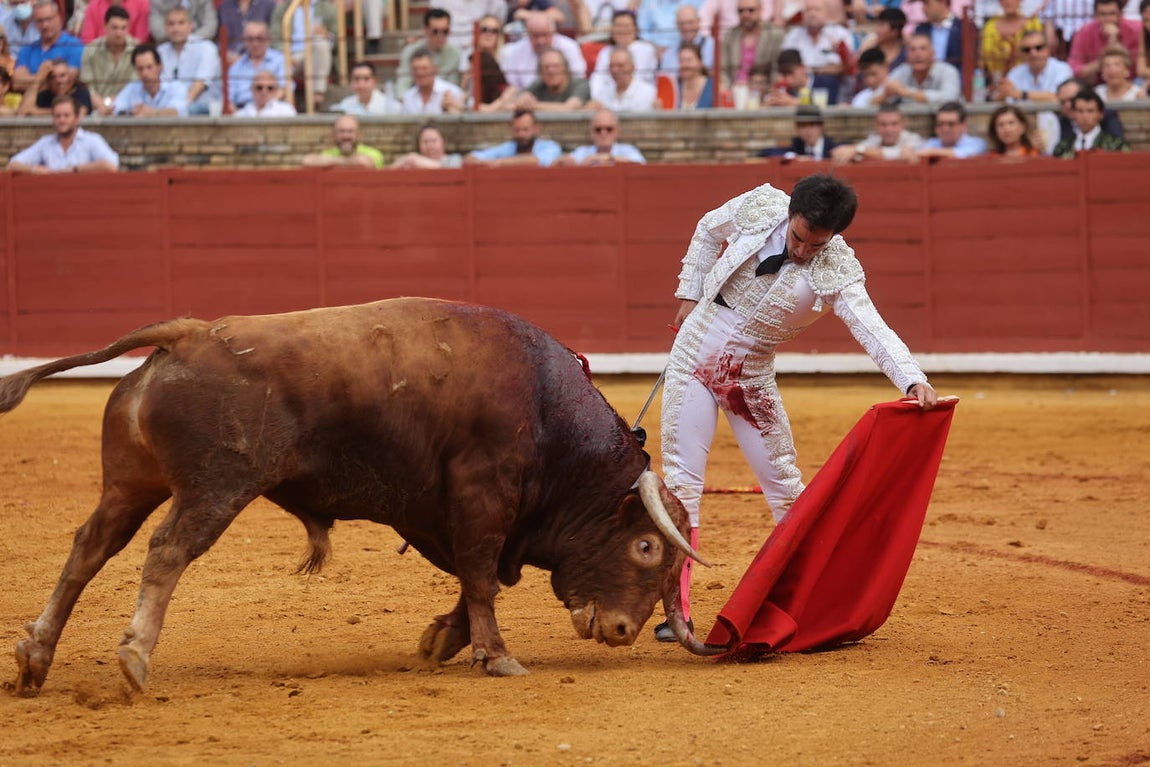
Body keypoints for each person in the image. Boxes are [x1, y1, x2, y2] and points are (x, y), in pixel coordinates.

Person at [655, 173, 938, 639]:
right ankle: (675, 611)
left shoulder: (839, 268)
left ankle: (800, 601)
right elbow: (709, 227)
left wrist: (911, 379)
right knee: (683, 483)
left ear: (836, 236)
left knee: (787, 489)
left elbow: (872, 328)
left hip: (751, 378)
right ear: (790, 215)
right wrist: (690, 291)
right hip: (693, 353)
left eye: (818, 244)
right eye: (800, 238)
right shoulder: (760, 205)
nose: (805, 251)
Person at [6, 94, 118, 172]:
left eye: (66, 115)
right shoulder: (45, 143)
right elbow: (12, 164)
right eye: (57, 116)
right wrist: (35, 169)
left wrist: (76, 169)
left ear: (77, 118)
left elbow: (112, 165)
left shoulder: (91, 140)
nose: (62, 120)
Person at [781, 0, 855, 104]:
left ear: (827, 13)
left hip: (836, 89)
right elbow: (787, 65)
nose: (812, 13)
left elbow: (847, 67)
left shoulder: (840, 34)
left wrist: (811, 69)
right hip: (800, 87)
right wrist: (827, 68)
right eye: (808, 10)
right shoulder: (793, 36)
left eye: (817, 9)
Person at [270, 0, 335, 110]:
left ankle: (317, 93)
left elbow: (338, 39)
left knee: (321, 42)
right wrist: (286, 53)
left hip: (315, 54)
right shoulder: (282, 9)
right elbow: (274, 39)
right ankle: (283, 102)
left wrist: (327, 35)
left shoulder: (327, 8)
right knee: (278, 61)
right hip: (291, 54)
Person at [158, 6, 222, 116]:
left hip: (202, 106)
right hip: (169, 109)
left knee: (192, 109)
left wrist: (174, 110)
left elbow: (199, 85)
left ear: (190, 26)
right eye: (171, 24)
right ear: (165, 27)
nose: (176, 28)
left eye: (181, 23)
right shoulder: (161, 51)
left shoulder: (206, 48)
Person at [498, 11, 586, 89]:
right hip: (524, 102)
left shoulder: (570, 47)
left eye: (545, 35)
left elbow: (578, 79)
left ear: (553, 32)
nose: (541, 41)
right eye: (535, 36)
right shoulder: (515, 51)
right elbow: (512, 85)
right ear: (528, 34)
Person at [12, 0, 82, 93]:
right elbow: (17, 83)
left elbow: (68, 81)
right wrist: (44, 78)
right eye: (40, 21)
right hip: (29, 103)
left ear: (59, 18)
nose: (45, 25)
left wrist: (31, 82)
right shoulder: (27, 49)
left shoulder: (74, 45)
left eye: (49, 19)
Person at [497, 47, 592, 112]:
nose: (551, 71)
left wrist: (533, 106)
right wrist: (521, 100)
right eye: (546, 67)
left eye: (556, 66)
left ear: (565, 68)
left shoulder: (580, 84)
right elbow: (511, 104)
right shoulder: (539, 84)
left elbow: (569, 108)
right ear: (540, 72)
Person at [1067, 0, 1141, 83]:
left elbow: (1138, 67)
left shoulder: (1136, 30)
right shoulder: (1084, 31)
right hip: (1095, 84)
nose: (1108, 19)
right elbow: (1075, 69)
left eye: (1112, 14)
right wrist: (1102, 63)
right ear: (1095, 15)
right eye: (1103, 14)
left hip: (1132, 82)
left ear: (1120, 13)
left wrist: (1114, 42)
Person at [81, 5, 136, 115]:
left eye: (123, 28)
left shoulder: (137, 50)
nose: (119, 33)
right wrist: (102, 107)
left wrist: (107, 104)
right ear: (105, 27)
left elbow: (134, 88)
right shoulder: (90, 50)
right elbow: (88, 87)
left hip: (128, 110)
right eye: (114, 28)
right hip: (96, 110)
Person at [590, 9, 659, 94]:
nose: (622, 30)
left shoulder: (645, 49)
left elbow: (639, 78)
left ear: (636, 29)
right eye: (618, 26)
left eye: (626, 26)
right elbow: (598, 79)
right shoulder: (605, 52)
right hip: (608, 97)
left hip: (638, 96)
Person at [720, 0, 785, 91]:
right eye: (741, 11)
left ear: (760, 10)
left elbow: (777, 68)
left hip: (764, 89)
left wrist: (765, 87)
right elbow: (723, 68)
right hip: (734, 89)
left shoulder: (774, 34)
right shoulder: (730, 36)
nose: (745, 15)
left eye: (751, 10)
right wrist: (727, 88)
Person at [995, 29, 1073, 103]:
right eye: (1027, 50)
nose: (1033, 54)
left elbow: (1060, 97)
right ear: (1021, 54)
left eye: (1038, 48)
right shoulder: (1015, 72)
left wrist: (1021, 95)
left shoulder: (1062, 69)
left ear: (1048, 49)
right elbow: (1008, 99)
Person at [980, 0, 1047, 87]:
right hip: (998, 82)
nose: (1008, 2)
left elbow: (1040, 54)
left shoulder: (1032, 24)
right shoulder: (990, 27)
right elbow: (984, 58)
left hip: (1029, 82)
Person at [395, 8, 461, 94]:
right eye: (435, 31)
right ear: (426, 30)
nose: (440, 36)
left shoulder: (454, 54)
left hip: (444, 102)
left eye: (445, 31)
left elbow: (453, 86)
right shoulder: (410, 51)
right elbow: (403, 84)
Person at [466, 107, 562, 166]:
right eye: (517, 130)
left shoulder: (550, 147)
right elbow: (470, 158)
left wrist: (498, 163)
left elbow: (536, 162)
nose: (521, 134)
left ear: (536, 129)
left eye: (525, 130)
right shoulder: (508, 147)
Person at [882, 33, 961, 104]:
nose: (917, 54)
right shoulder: (901, 71)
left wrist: (907, 92)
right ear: (906, 56)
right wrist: (886, 95)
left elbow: (950, 99)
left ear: (933, 54)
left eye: (923, 49)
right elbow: (873, 99)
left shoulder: (948, 71)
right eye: (912, 49)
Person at [113, 42, 188, 116]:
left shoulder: (176, 87)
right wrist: (131, 113)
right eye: (140, 69)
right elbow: (116, 110)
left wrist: (152, 113)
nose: (145, 73)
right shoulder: (131, 88)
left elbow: (177, 111)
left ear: (159, 67)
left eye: (149, 67)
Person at [1052, 86, 1130, 155]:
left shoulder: (1116, 145)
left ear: (1100, 114)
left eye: (1090, 111)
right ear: (1073, 114)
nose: (1085, 116)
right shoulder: (1063, 147)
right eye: (1080, 111)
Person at [833, 103, 924, 162]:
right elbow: (849, 151)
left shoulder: (913, 139)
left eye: (894, 124)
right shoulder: (874, 139)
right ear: (876, 126)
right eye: (883, 124)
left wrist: (859, 150)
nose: (889, 129)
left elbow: (895, 153)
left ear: (903, 125)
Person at [227, 21, 285, 111]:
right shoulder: (235, 67)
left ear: (268, 39)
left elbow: (285, 90)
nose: (255, 43)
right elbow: (229, 100)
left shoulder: (280, 60)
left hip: (273, 111)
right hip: (243, 113)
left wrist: (262, 110)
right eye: (250, 39)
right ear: (243, 40)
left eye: (260, 38)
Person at [556, 107, 646, 165]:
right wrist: (580, 165)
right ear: (591, 132)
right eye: (598, 130)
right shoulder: (582, 151)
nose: (604, 133)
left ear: (617, 132)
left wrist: (604, 158)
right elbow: (560, 163)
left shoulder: (627, 149)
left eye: (609, 129)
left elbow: (640, 164)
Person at [755, 104, 841, 159]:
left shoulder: (831, 147)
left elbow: (846, 149)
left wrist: (853, 150)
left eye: (812, 125)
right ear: (797, 129)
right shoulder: (797, 146)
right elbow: (765, 153)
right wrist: (793, 156)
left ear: (821, 126)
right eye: (803, 126)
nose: (807, 131)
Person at [589, 46, 659, 111]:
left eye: (620, 66)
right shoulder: (603, 93)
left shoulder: (648, 93)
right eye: (612, 66)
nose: (615, 70)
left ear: (632, 67)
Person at [17, 55, 91, 115]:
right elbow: (23, 112)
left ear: (70, 79)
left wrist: (36, 112)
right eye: (53, 77)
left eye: (62, 76)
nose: (58, 81)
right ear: (48, 82)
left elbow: (80, 113)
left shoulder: (80, 92)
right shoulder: (45, 95)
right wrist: (38, 79)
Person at [303, 114, 384, 168]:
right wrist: (346, 161)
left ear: (359, 135)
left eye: (350, 131)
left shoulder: (373, 153)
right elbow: (307, 160)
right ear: (334, 135)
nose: (346, 136)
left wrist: (332, 162)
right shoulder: (328, 153)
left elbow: (363, 162)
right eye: (341, 131)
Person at [916, 100, 988, 159]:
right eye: (940, 124)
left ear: (964, 126)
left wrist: (932, 152)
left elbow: (962, 154)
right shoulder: (932, 143)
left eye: (951, 124)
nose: (945, 129)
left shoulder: (977, 143)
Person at [656, 4, 715, 76]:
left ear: (698, 22)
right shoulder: (669, 55)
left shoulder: (713, 47)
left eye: (690, 22)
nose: (686, 27)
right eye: (682, 23)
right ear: (676, 25)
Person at [402, 48, 465, 114]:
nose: (419, 73)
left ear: (435, 69)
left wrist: (451, 110)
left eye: (424, 68)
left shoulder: (453, 92)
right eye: (415, 69)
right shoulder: (408, 96)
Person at [911, 0, 963, 72]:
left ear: (942, 2)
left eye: (927, 3)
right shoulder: (921, 29)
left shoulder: (963, 28)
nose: (923, 9)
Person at [333, 60, 400, 115]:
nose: (361, 85)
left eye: (366, 79)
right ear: (351, 82)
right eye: (356, 79)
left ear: (374, 81)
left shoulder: (390, 105)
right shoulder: (345, 105)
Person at [390, 122, 463, 169]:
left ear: (443, 143)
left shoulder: (454, 159)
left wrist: (416, 160)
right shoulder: (412, 161)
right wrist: (405, 160)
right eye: (425, 142)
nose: (430, 145)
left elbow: (450, 169)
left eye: (433, 141)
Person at [78, 0, 148, 44]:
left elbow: (141, 41)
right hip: (100, 56)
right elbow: (88, 40)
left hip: (131, 56)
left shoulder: (142, 4)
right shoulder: (94, 5)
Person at [149, 0, 217, 44]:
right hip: (169, 44)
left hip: (199, 43)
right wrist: (177, 38)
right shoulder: (158, 1)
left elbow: (210, 27)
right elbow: (157, 31)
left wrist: (188, 40)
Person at [675, 41, 714, 109]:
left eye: (689, 60)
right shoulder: (675, 88)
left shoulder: (714, 87)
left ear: (700, 62)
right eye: (681, 61)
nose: (684, 65)